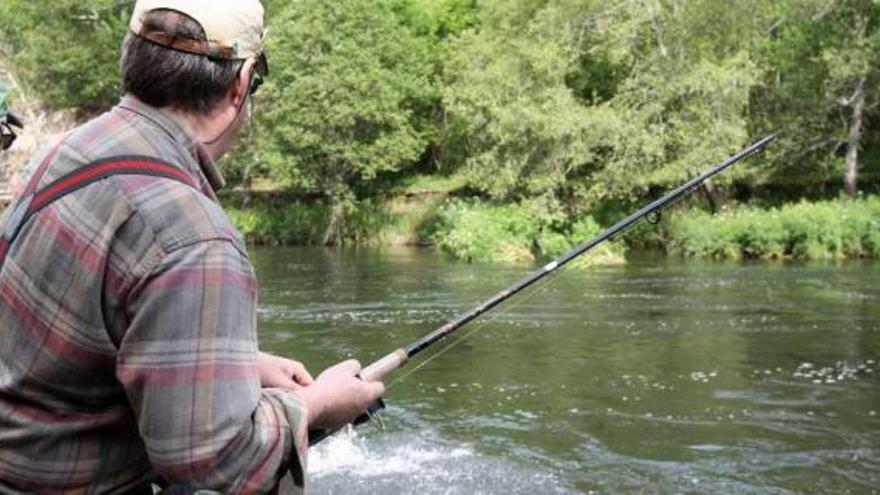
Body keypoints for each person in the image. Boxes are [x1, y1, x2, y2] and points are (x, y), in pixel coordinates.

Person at [0, 1, 384, 493]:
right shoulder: (195, 239)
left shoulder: (73, 151)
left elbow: (71, 344)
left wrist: (239, 367)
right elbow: (217, 460)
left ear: (131, 55)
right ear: (241, 83)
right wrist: (318, 404)